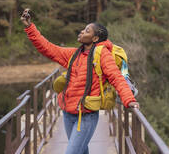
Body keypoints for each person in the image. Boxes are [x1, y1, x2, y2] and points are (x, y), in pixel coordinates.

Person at [20, 8, 139, 154]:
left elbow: (116, 77)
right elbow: (47, 48)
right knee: (81, 150)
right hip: (67, 112)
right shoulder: (75, 54)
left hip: (86, 115)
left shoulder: (102, 55)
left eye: (87, 31)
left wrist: (129, 100)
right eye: (83, 29)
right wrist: (29, 27)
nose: (82, 32)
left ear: (95, 38)